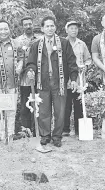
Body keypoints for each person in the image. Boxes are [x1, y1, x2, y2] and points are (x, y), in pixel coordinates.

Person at [25, 16, 79, 147]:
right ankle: (45, 135)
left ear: (55, 27)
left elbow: (72, 62)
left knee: (60, 111)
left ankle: (57, 136)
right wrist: (31, 71)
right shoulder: (36, 44)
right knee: (44, 111)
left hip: (59, 82)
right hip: (42, 82)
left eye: (52, 26)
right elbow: (31, 63)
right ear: (42, 28)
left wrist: (73, 78)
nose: (50, 28)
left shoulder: (64, 43)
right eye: (47, 26)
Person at [63, 21, 92, 137]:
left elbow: (88, 59)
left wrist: (85, 66)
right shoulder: (63, 43)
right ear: (67, 30)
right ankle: (65, 129)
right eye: (71, 28)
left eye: (75, 28)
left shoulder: (82, 44)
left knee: (79, 105)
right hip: (67, 81)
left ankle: (79, 129)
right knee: (66, 105)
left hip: (80, 80)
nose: (74, 30)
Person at [14, 16, 41, 137]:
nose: (28, 26)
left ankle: (38, 132)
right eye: (25, 24)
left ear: (33, 24)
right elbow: (15, 59)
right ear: (22, 26)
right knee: (25, 105)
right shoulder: (17, 41)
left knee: (38, 105)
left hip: (39, 78)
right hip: (24, 79)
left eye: (30, 24)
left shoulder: (40, 39)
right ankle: (26, 131)